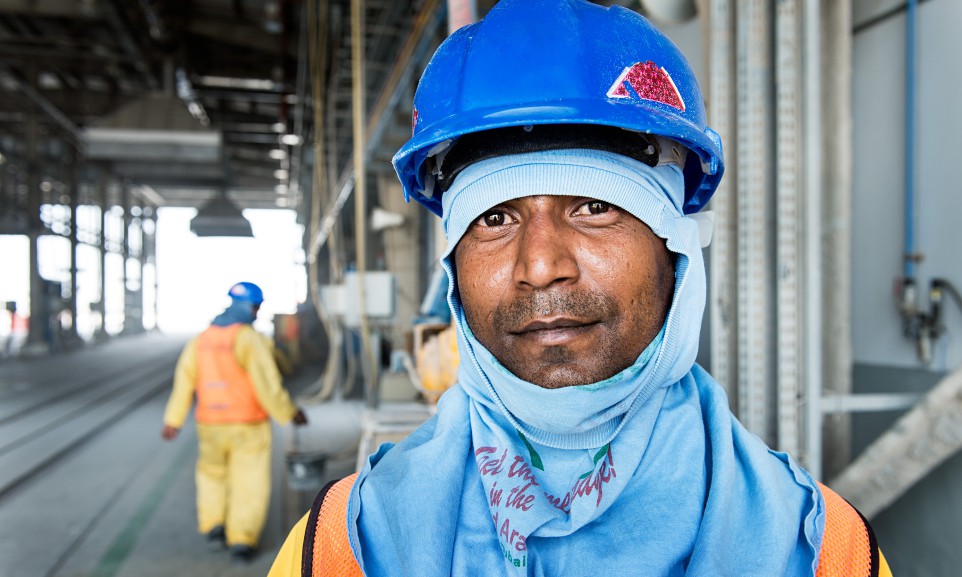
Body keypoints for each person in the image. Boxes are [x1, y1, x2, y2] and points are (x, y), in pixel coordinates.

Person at [269, 1, 891, 575]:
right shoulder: (344, 548)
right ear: (453, 268)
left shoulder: (819, 553)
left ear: (675, 250)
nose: (539, 266)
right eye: (494, 218)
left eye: (595, 205)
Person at [161, 281, 308, 562]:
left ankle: (214, 524)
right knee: (248, 480)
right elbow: (267, 384)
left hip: (210, 424)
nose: (257, 313)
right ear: (251, 306)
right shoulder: (248, 339)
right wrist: (289, 412)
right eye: (257, 307)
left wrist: (173, 420)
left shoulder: (202, 339)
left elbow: (184, 380)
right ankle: (241, 539)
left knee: (211, 474)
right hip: (247, 424)